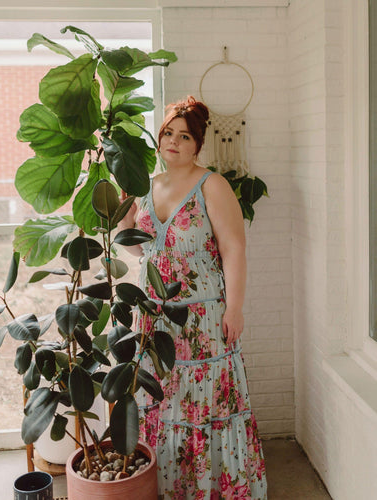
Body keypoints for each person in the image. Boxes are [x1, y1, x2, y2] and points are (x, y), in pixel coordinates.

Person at [119, 96, 267, 499]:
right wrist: (124, 212)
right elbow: (137, 247)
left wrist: (234, 308)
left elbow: (234, 249)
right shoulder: (145, 185)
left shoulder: (212, 184)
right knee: (161, 401)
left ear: (197, 145)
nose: (174, 142)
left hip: (203, 317)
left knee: (204, 406)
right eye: (168, 133)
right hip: (154, 316)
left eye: (184, 136)